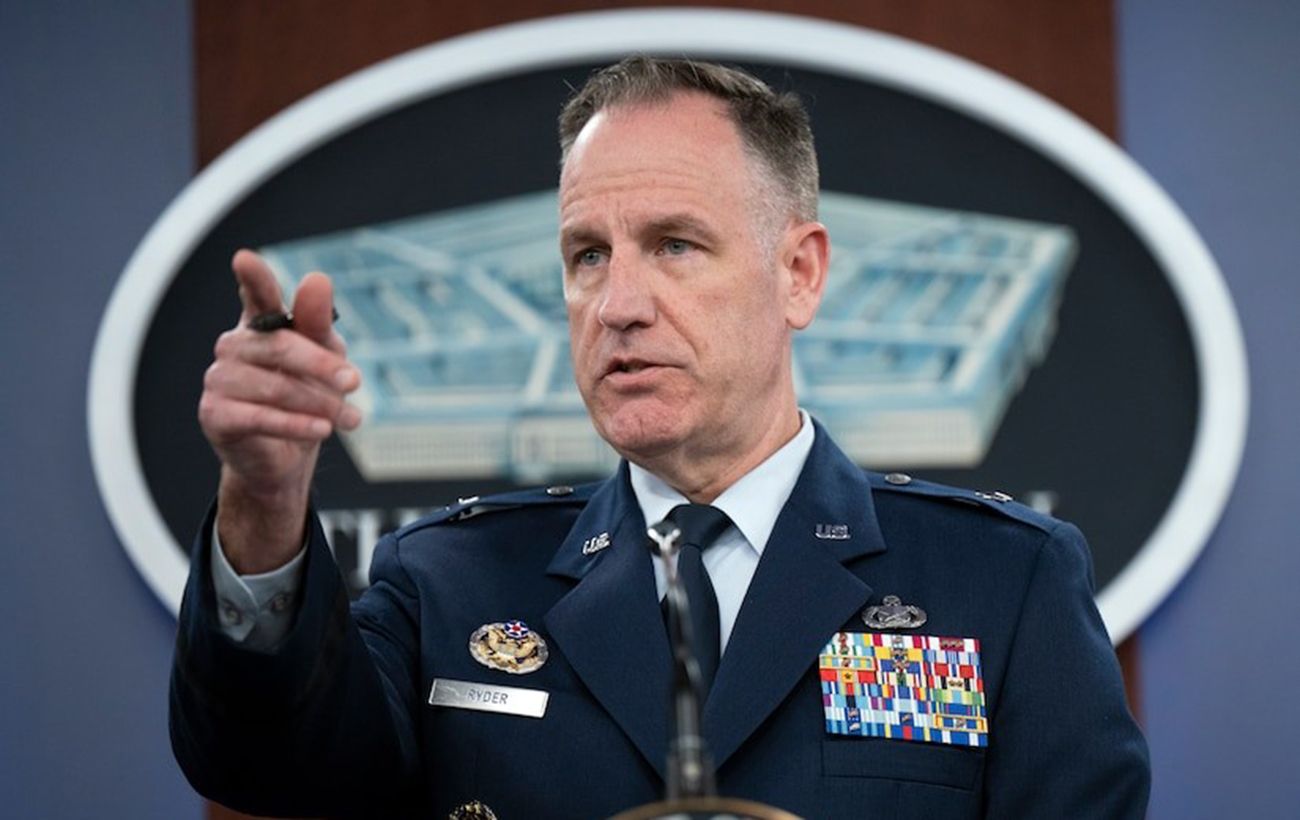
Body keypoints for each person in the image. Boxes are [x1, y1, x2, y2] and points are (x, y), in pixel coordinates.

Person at [171, 57, 1150, 819]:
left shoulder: (1001, 584)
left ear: (800, 274)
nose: (619, 304)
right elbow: (266, 767)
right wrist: (264, 499)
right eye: (587, 255)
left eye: (675, 245)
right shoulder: (452, 583)